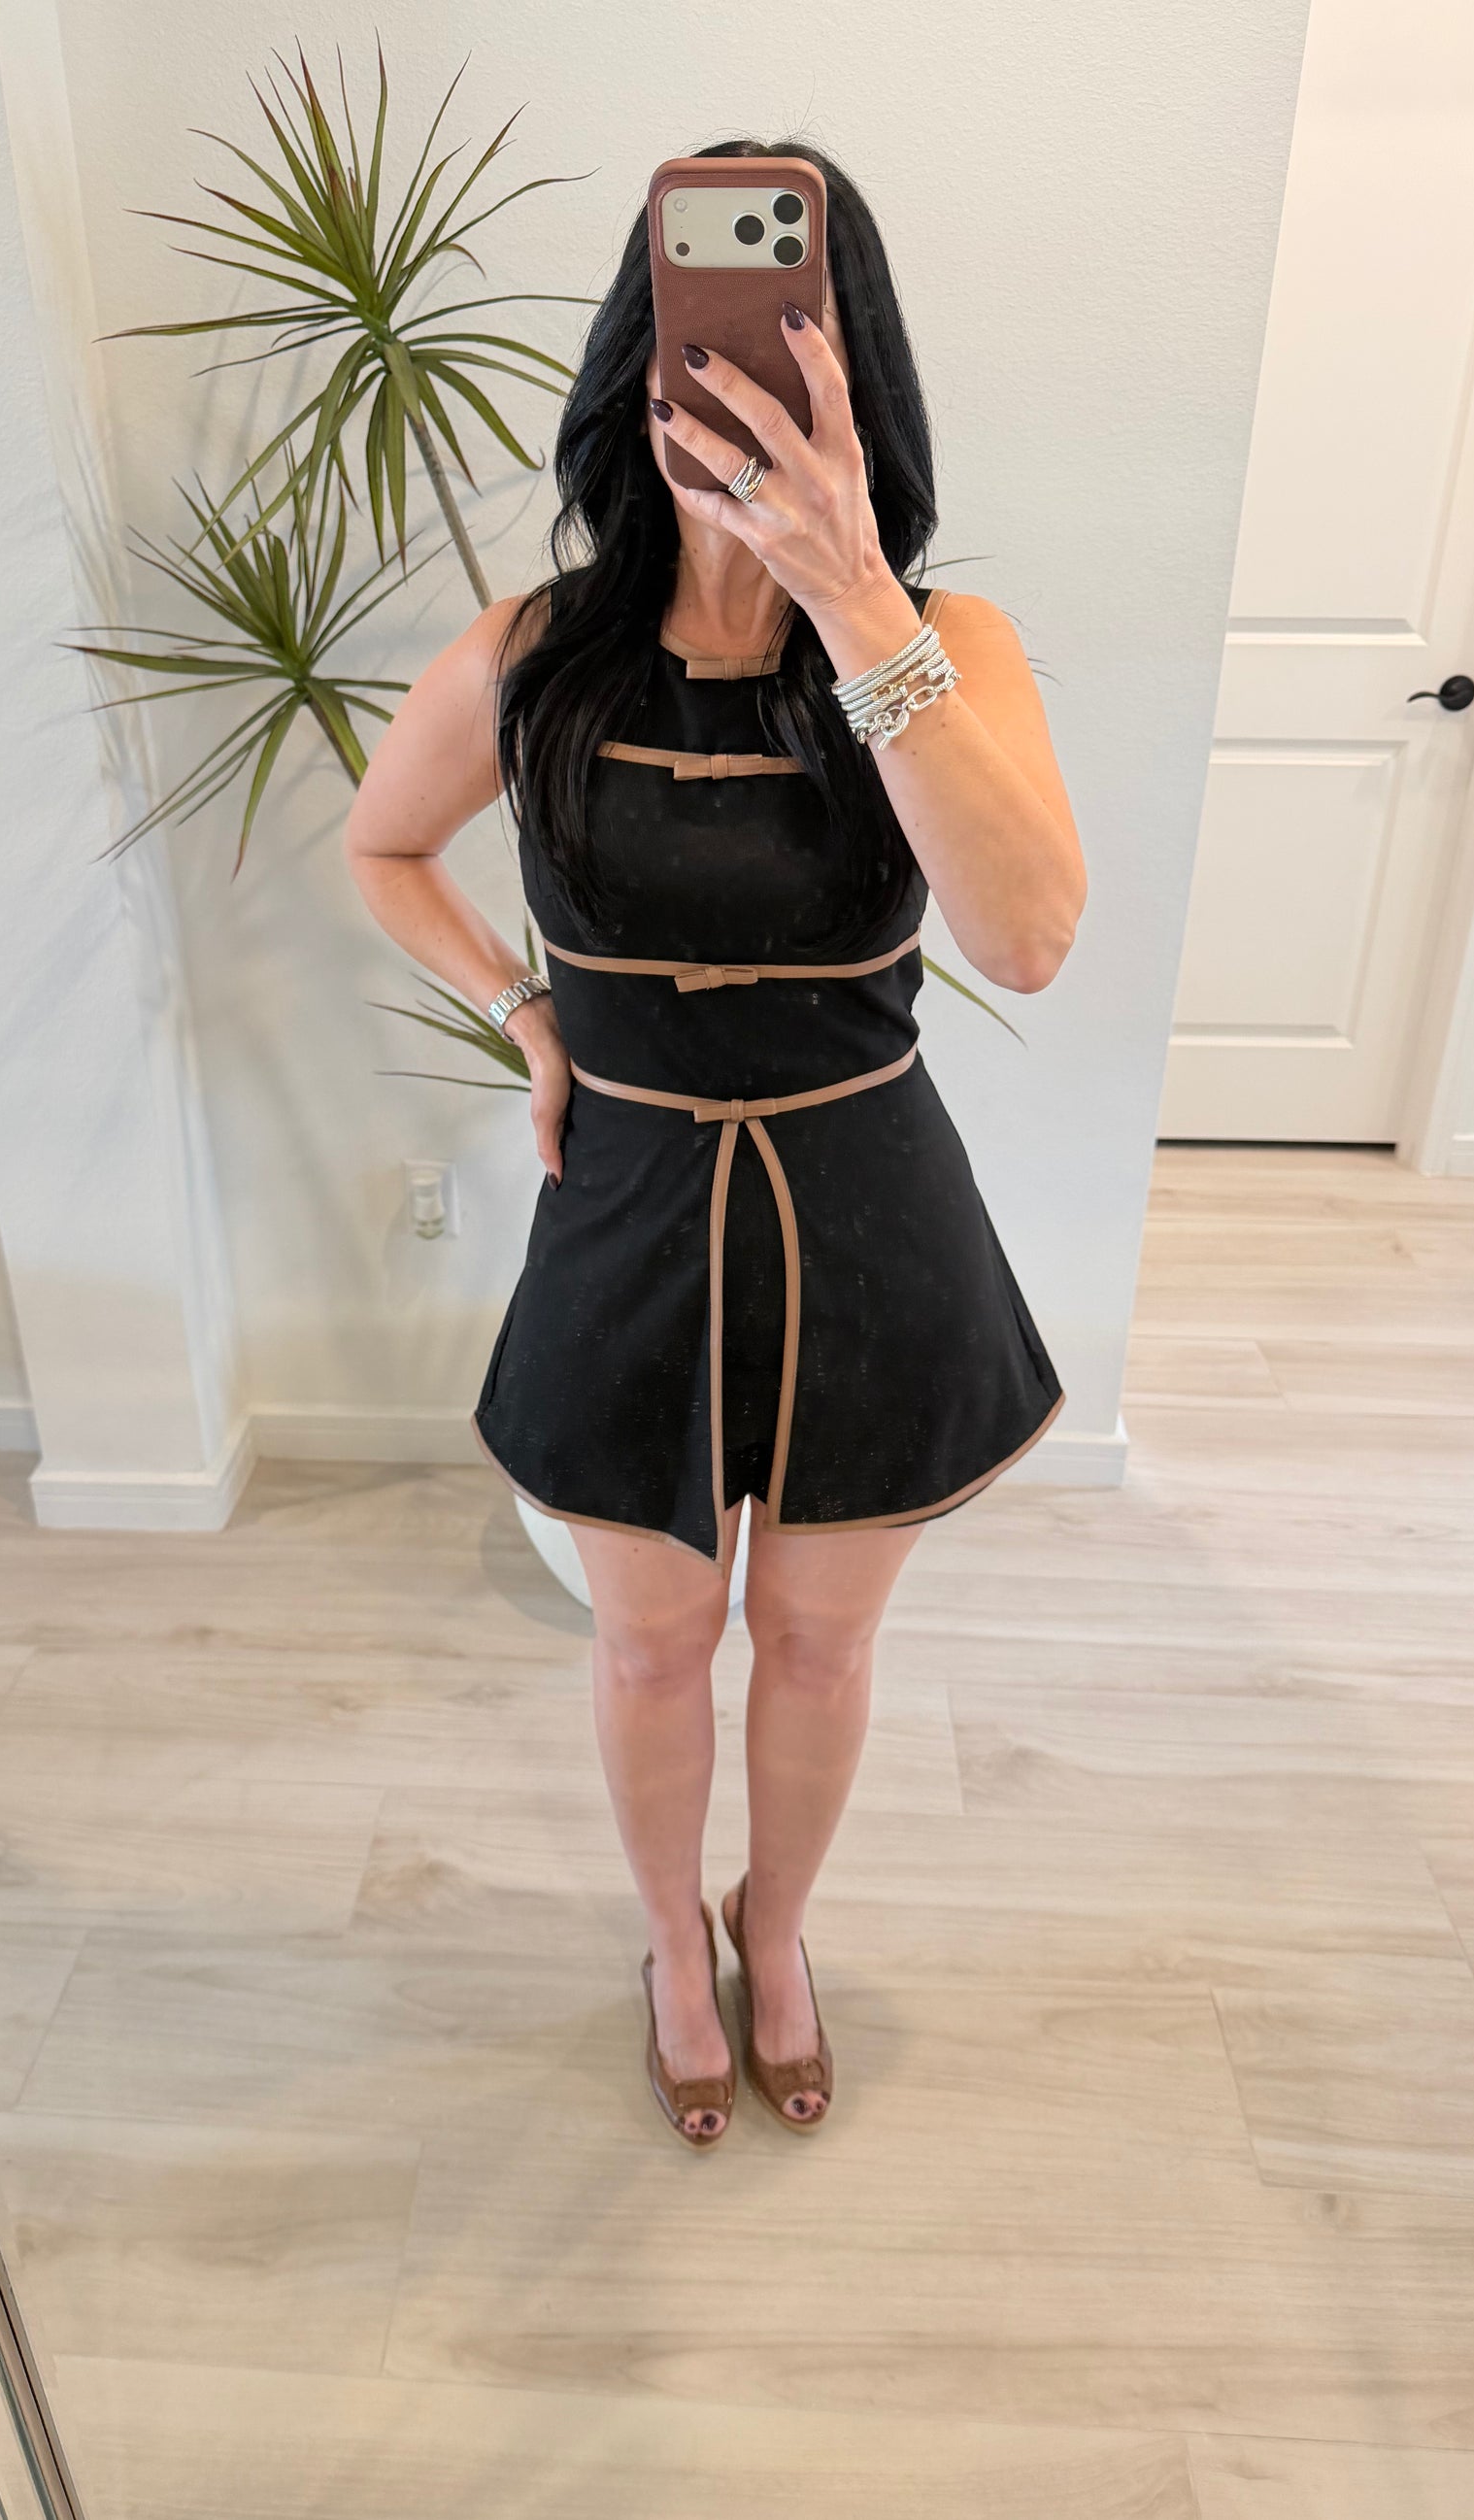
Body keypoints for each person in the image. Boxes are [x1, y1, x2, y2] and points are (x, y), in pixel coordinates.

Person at [347, 139, 1085, 2147]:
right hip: (631, 1210)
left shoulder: (944, 643)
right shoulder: (532, 657)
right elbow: (380, 846)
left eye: (787, 349)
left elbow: (1025, 933)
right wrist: (524, 1013)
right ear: (638, 364)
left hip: (872, 1208)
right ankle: (673, 1940)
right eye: (706, 346)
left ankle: (779, 1928)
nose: (738, 390)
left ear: (857, 383)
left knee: (821, 1647)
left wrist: (849, 591)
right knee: (651, 1646)